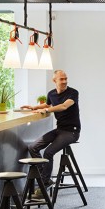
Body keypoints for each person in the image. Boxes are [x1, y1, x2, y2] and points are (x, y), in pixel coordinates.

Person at [21, 69, 80, 198]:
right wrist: (34, 107)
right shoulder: (51, 94)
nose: (64, 81)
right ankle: (46, 179)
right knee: (33, 147)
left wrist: (47, 109)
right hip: (59, 130)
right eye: (61, 79)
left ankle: (44, 183)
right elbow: (47, 104)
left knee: (48, 152)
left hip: (72, 131)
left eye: (65, 78)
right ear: (54, 81)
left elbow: (64, 106)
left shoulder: (73, 93)